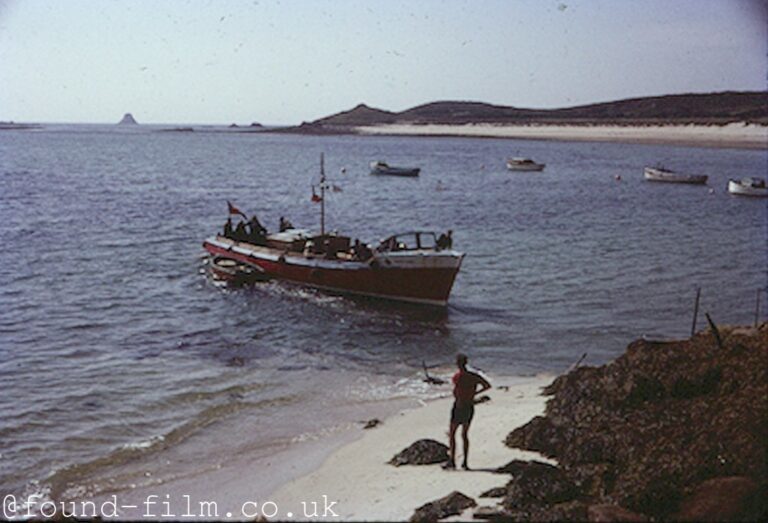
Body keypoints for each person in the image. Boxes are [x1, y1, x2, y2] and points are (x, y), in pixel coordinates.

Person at [444, 353, 491, 470]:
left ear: (458, 363)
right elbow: (487, 385)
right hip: (469, 406)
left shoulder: (457, 377)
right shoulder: (473, 376)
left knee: (452, 434)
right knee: (464, 435)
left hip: (459, 406)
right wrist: (474, 394)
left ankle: (452, 461)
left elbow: (457, 392)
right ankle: (465, 462)